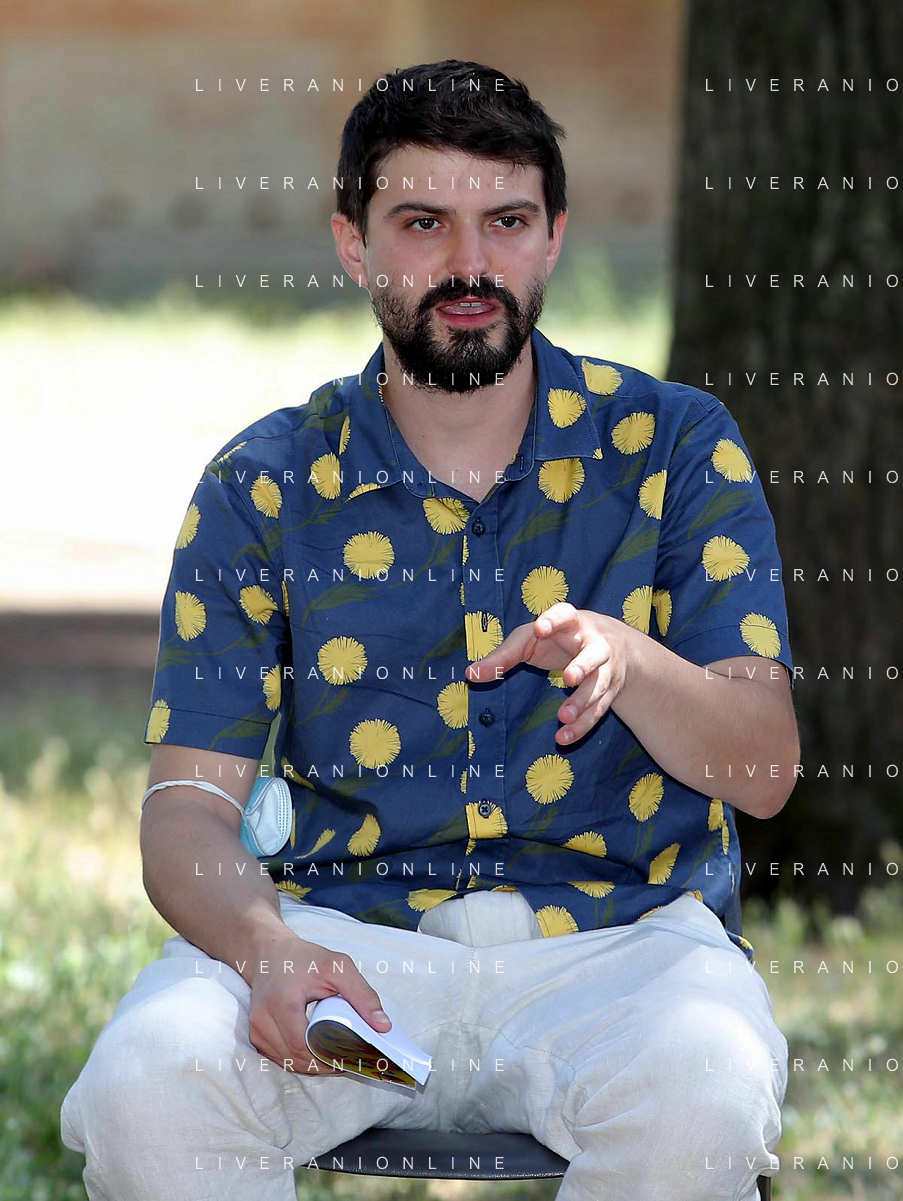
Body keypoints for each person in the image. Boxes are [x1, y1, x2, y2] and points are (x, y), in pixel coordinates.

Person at [60, 59, 798, 1200]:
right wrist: (268, 947)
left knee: (707, 1084)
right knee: (145, 1086)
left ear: (553, 237)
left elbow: (765, 770)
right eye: (421, 223)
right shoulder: (264, 483)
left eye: (506, 220)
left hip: (622, 949)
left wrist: (634, 662)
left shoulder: (676, 446)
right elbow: (186, 812)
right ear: (352, 244)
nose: (468, 263)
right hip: (341, 941)